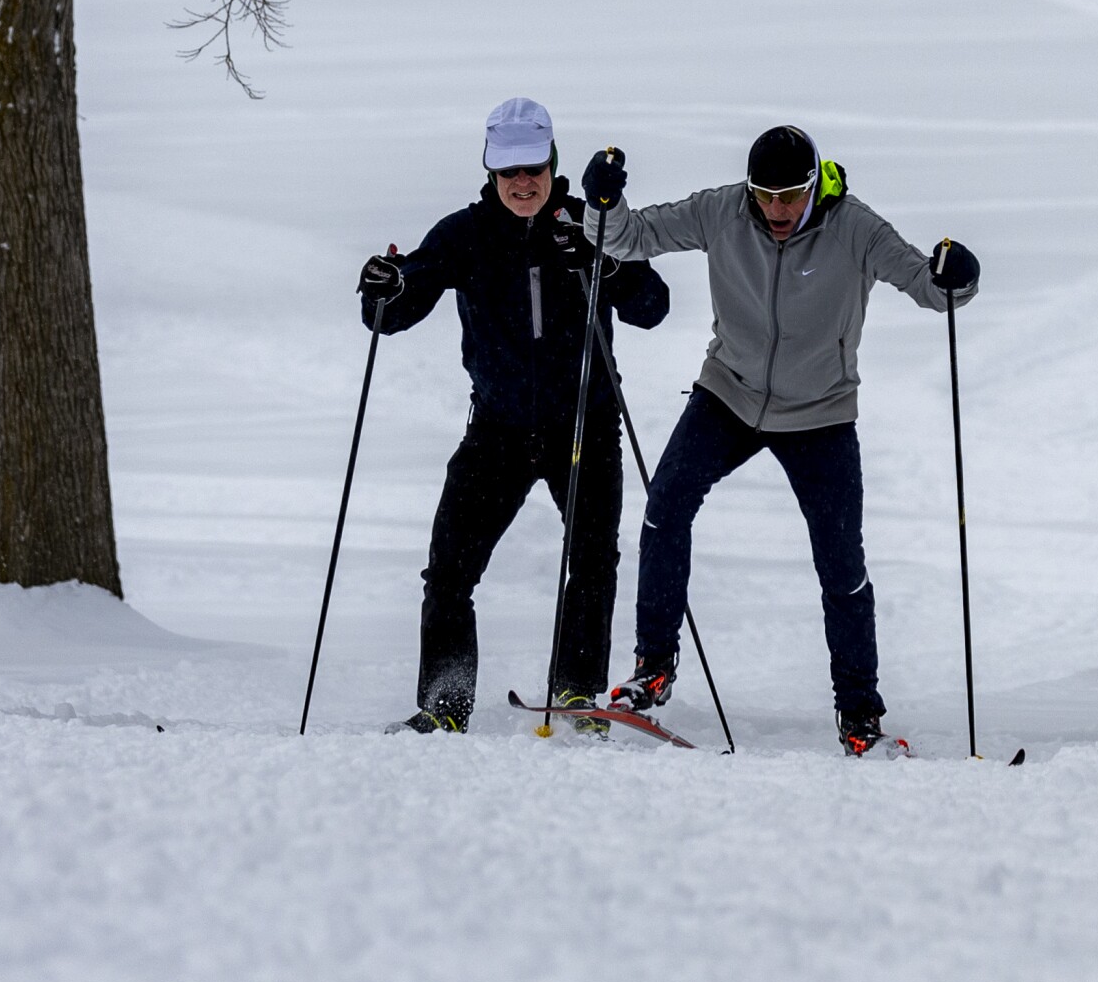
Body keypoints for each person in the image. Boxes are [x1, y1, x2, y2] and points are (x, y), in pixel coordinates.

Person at [577, 125, 980, 755]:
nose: (777, 210)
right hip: (728, 394)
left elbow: (932, 289)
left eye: (790, 194)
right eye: (765, 195)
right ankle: (652, 670)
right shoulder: (722, 210)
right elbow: (627, 237)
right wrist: (605, 204)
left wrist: (955, 275)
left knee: (842, 567)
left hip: (821, 413)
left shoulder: (856, 228)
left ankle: (858, 716)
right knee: (665, 508)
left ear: (815, 182)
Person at [358, 97, 669, 734]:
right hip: (496, 429)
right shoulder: (464, 234)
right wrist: (382, 287)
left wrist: (603, 262)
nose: (522, 184)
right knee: (449, 570)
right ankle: (444, 705)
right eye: (508, 174)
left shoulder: (590, 224)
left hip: (585, 426)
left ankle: (577, 694)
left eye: (533, 169)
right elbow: (394, 311)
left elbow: (652, 306)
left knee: (592, 559)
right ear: (490, 172)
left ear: (552, 164)